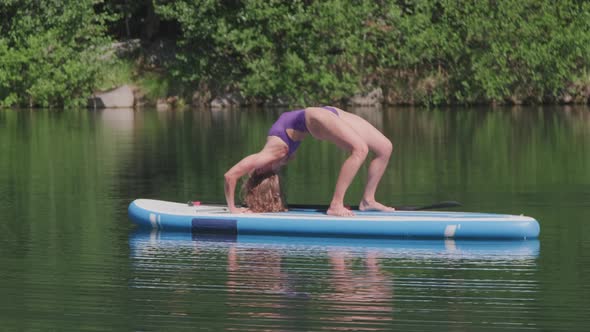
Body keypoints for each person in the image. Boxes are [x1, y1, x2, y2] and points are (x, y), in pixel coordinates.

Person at [224, 106, 394, 217]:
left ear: (259, 171)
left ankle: (366, 201)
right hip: (318, 116)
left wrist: (232, 208)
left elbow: (230, 176)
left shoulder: (268, 156)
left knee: (381, 148)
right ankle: (337, 205)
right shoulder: (275, 160)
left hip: (319, 114)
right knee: (368, 149)